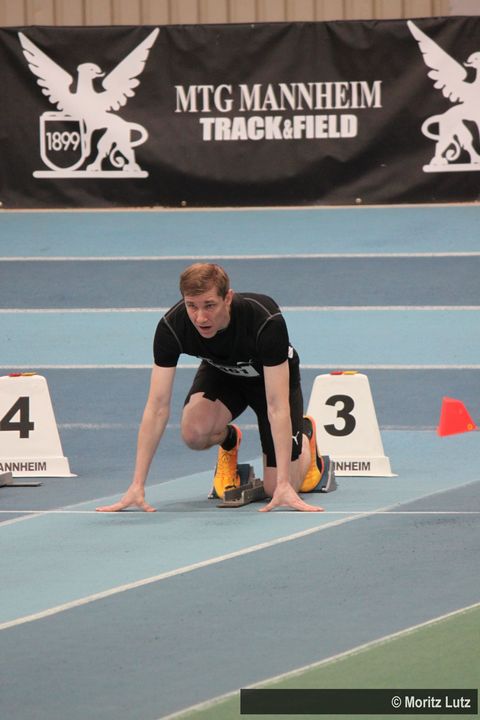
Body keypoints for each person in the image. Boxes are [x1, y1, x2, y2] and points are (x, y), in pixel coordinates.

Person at [97, 263, 332, 514]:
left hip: (270, 382)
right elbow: (156, 407)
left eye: (209, 305)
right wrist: (137, 485)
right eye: (192, 306)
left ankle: (304, 439)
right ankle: (229, 440)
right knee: (193, 434)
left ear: (227, 298)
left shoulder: (265, 321)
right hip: (224, 376)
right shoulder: (172, 327)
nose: (200, 317)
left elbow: (276, 406)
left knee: (276, 488)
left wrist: (284, 484)